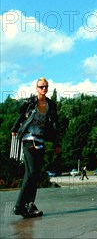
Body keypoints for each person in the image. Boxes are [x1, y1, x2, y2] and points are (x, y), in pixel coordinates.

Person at [11, 77, 61, 218]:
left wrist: (57, 143)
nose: (43, 89)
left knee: (35, 174)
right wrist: (15, 128)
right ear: (36, 88)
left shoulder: (51, 105)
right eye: (41, 87)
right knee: (31, 172)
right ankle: (19, 206)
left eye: (45, 86)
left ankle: (30, 205)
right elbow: (21, 116)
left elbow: (55, 124)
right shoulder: (31, 101)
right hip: (28, 139)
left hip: (40, 140)